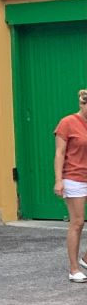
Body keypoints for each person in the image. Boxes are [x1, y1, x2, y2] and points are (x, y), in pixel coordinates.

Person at [55, 89, 87, 282]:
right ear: (83, 104)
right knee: (77, 223)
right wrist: (59, 180)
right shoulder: (67, 123)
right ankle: (74, 268)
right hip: (73, 177)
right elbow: (59, 153)